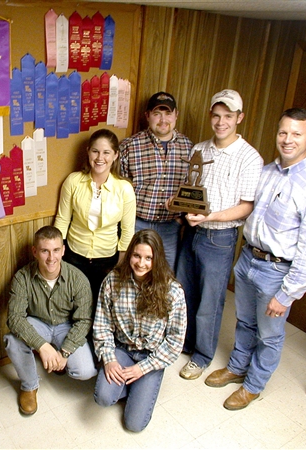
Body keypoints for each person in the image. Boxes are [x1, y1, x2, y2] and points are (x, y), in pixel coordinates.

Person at [205, 108, 306, 410]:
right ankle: (237, 368)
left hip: (278, 271)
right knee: (244, 321)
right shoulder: (267, 172)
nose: (288, 140)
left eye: (296, 134)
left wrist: (287, 294)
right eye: (283, 132)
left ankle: (253, 385)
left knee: (269, 334)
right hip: (249, 259)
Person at [176, 89, 263, 381]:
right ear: (210, 116)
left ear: (239, 118)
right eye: (216, 115)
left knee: (210, 302)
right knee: (185, 292)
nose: (221, 122)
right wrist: (185, 209)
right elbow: (191, 190)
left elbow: (246, 206)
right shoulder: (199, 148)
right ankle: (185, 343)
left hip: (220, 238)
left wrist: (210, 216)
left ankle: (201, 357)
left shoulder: (249, 158)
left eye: (228, 116)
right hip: (191, 232)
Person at [93, 229, 186, 432]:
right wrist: (109, 359)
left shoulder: (173, 291)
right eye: (136, 255)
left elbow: (175, 342)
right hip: (122, 349)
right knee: (103, 397)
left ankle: (138, 386)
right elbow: (102, 324)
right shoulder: (112, 281)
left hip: (150, 357)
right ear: (129, 255)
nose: (141, 263)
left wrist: (142, 369)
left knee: (134, 425)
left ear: (157, 259)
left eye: (148, 258)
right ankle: (129, 386)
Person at [5, 225, 97, 415]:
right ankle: (29, 385)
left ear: (63, 250)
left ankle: (55, 355)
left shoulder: (78, 278)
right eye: (45, 251)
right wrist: (42, 346)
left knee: (85, 371)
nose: (51, 257)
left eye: (56, 250)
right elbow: (14, 318)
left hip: (66, 326)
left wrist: (65, 352)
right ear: (35, 252)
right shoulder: (22, 277)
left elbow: (84, 321)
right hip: (38, 324)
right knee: (12, 340)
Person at [54, 128, 136, 301]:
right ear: (88, 152)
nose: (100, 158)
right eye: (95, 151)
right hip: (74, 256)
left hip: (107, 260)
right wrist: (57, 254)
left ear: (115, 155)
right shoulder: (73, 181)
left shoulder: (124, 189)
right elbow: (62, 220)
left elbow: (128, 231)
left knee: (100, 309)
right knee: (74, 304)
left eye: (106, 152)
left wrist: (120, 265)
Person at [120, 92, 193, 271]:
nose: (163, 119)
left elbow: (193, 188)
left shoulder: (189, 147)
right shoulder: (129, 146)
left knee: (165, 276)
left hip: (170, 226)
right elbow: (118, 190)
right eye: (157, 114)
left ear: (176, 114)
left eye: (168, 113)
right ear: (147, 116)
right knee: (133, 273)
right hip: (137, 223)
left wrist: (180, 219)